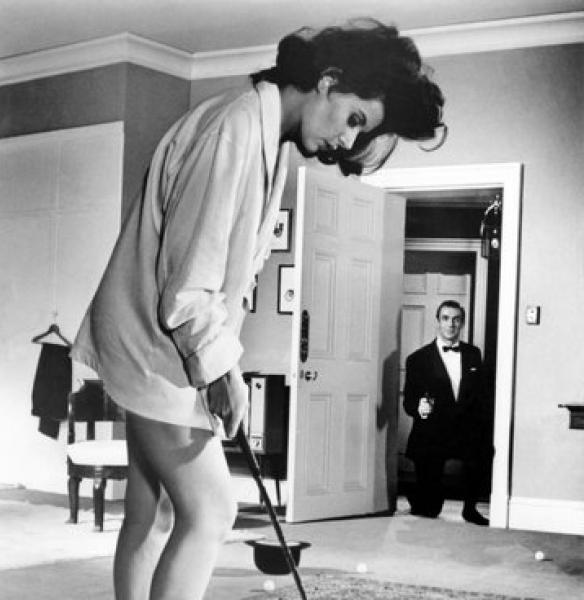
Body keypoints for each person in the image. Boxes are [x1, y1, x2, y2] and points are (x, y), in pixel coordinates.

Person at [71, 19, 445, 600]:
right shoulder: (236, 129)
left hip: (155, 346)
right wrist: (224, 373)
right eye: (354, 118)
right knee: (211, 512)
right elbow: (188, 289)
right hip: (154, 352)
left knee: (154, 510)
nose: (349, 141)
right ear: (328, 79)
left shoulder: (261, 134)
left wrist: (226, 369)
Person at [403, 300, 492, 526]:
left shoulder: (473, 354)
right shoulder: (417, 359)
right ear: (438, 321)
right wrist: (419, 408)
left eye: (456, 319)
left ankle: (470, 509)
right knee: (429, 509)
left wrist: (482, 426)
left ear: (462, 323)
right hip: (433, 430)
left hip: (464, 428)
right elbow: (409, 402)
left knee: (483, 449)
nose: (451, 324)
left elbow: (481, 395)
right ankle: (420, 498)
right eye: (445, 318)